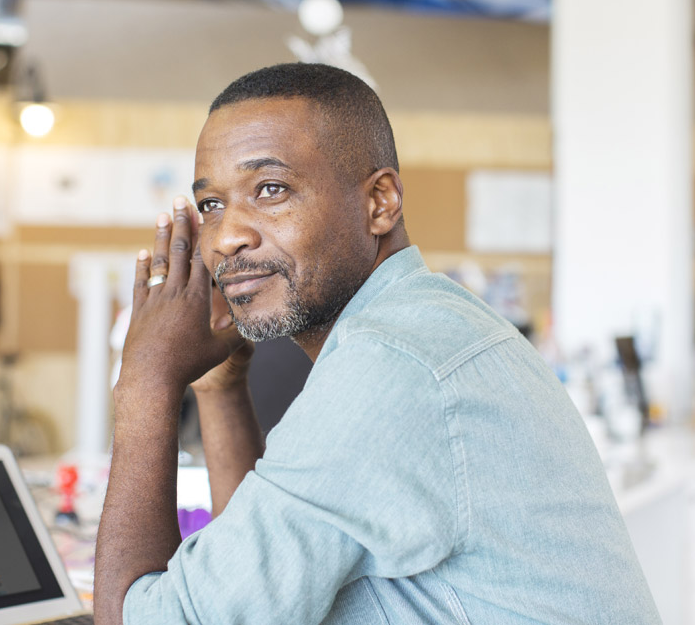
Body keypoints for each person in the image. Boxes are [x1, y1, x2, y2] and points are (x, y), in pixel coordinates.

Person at [93, 63, 659, 624]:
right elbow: (253, 579)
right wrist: (219, 386)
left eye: (270, 189)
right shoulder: (429, 322)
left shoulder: (390, 366)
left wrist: (144, 380)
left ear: (381, 202)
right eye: (211, 204)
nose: (226, 238)